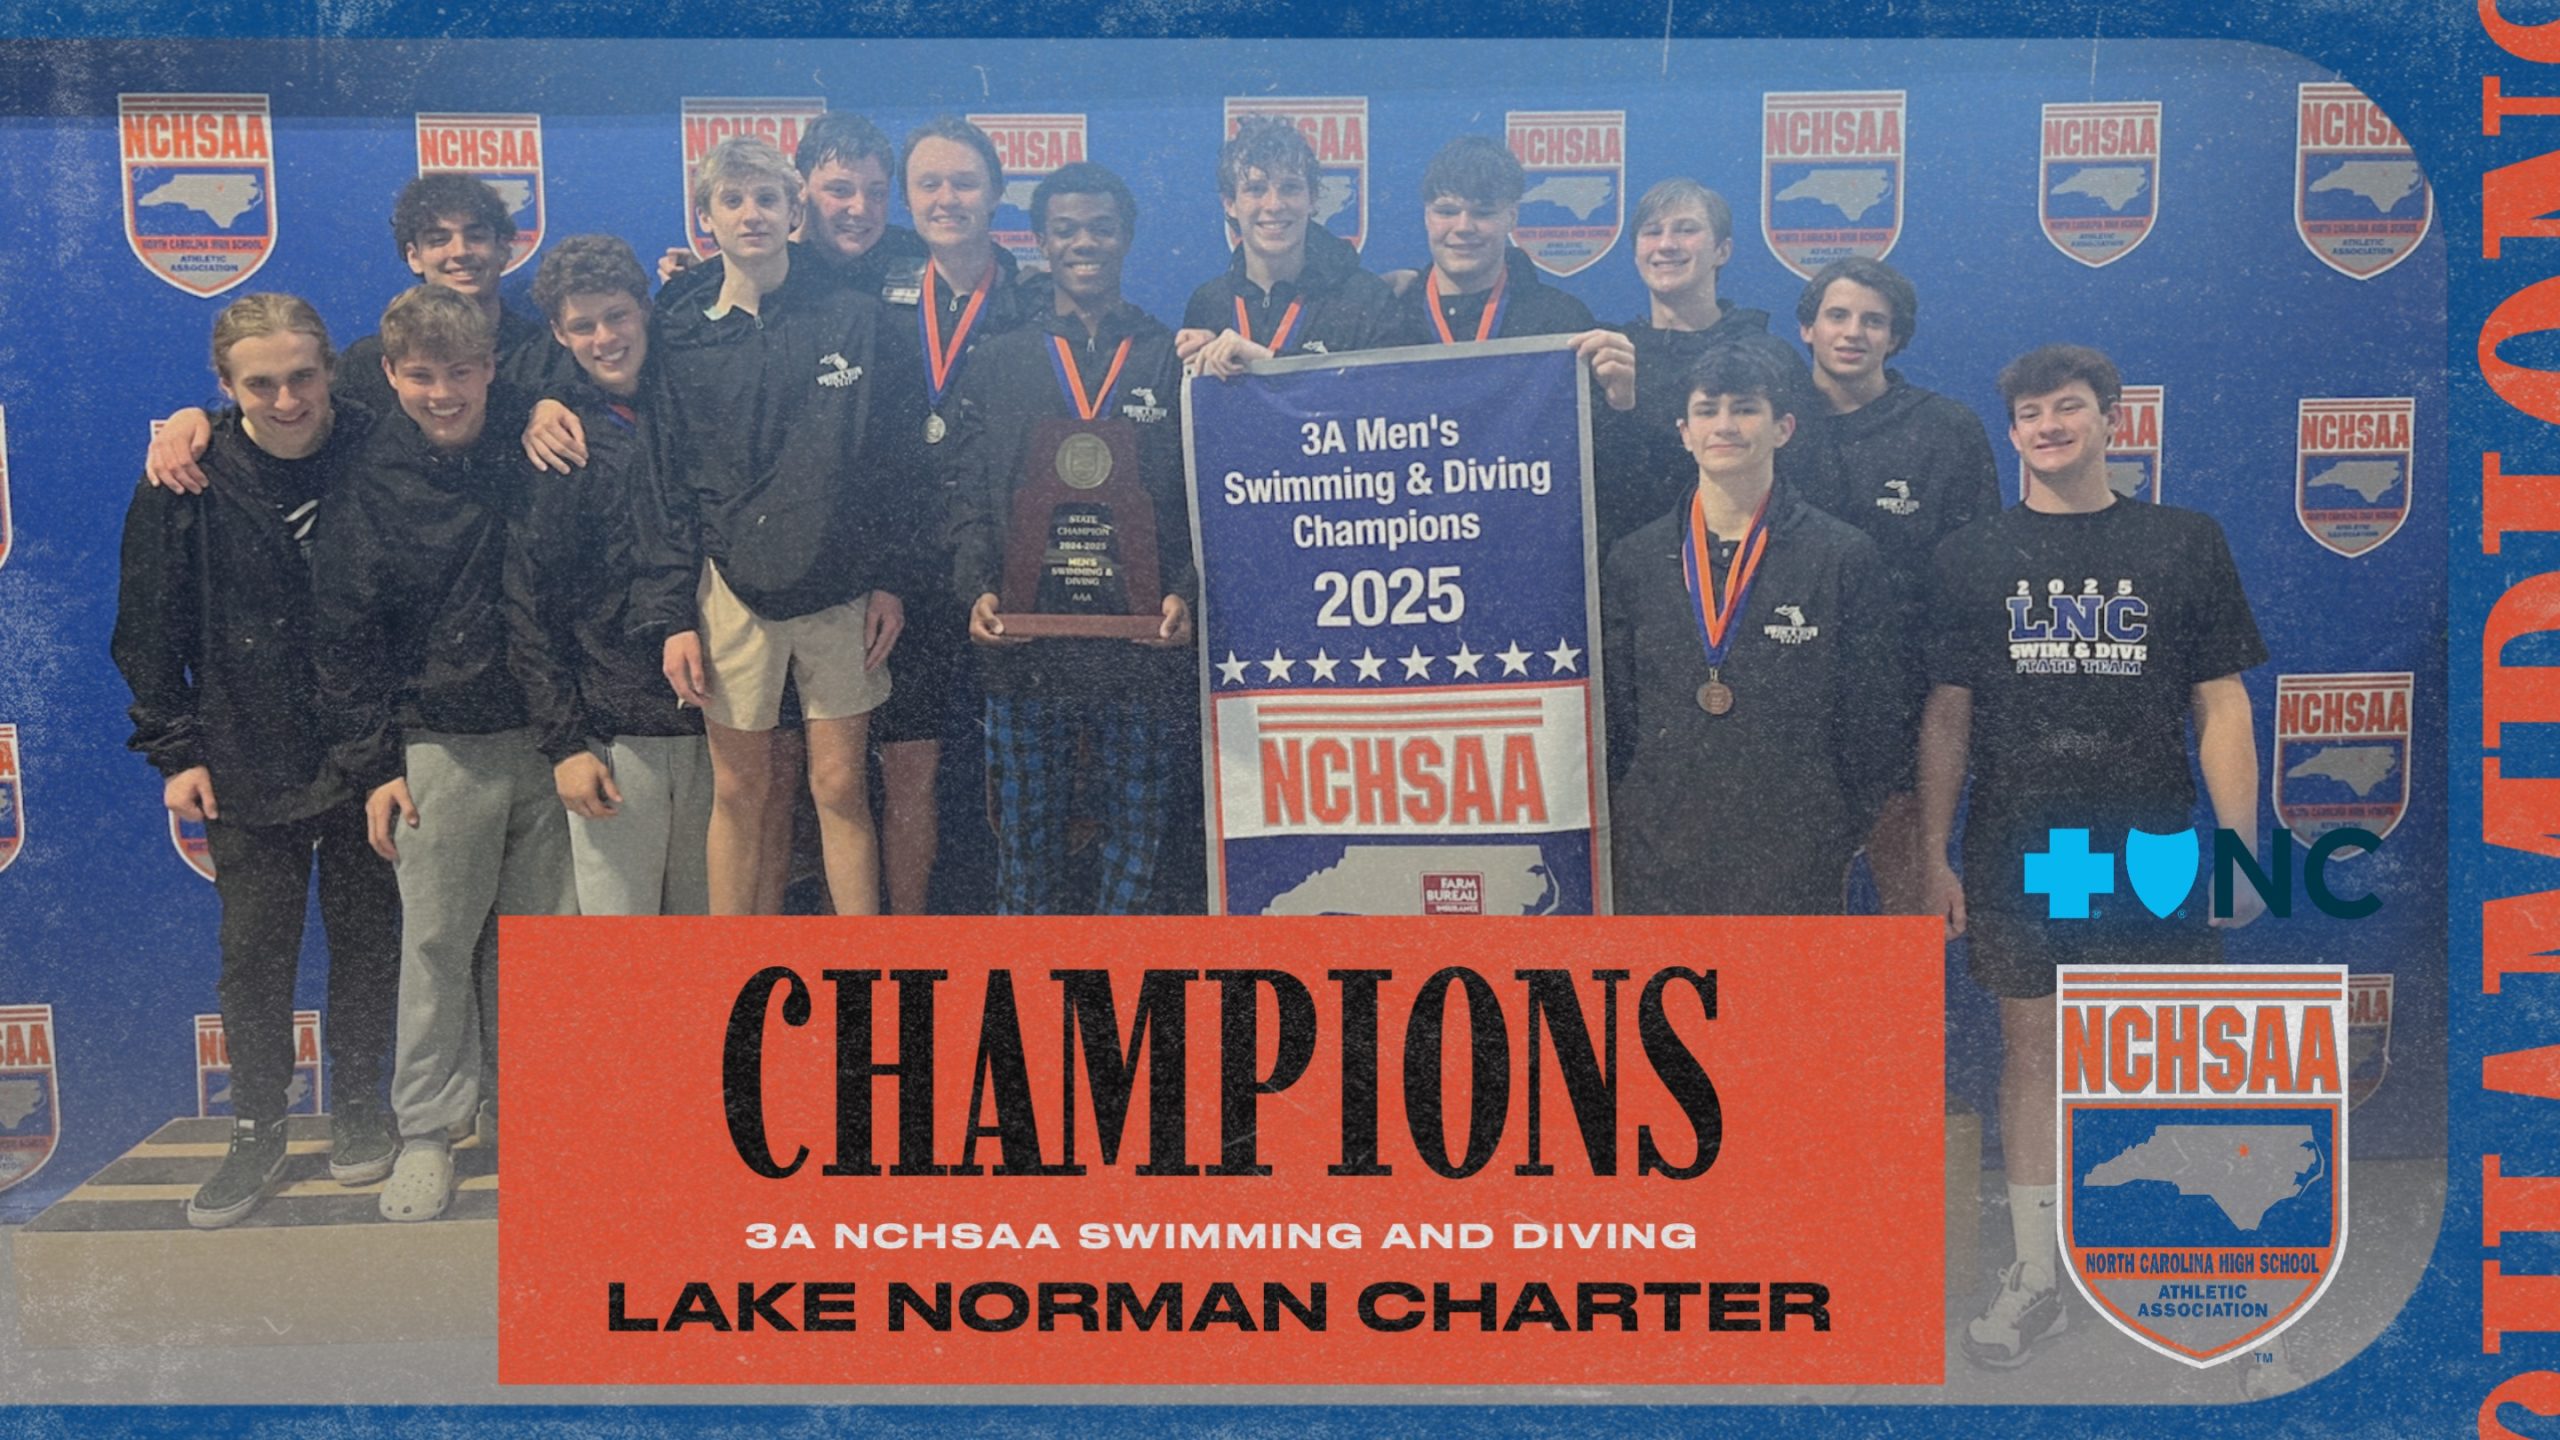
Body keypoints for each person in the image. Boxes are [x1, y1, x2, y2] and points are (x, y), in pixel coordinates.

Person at [1918, 344, 2266, 1368]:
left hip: (2149, 842)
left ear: (2115, 420)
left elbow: (2222, 704)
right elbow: (1947, 716)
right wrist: (1933, 850)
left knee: (2160, 1049)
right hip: (2022, 843)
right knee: (2032, 1052)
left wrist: (2241, 850)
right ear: (2012, 434)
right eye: (2030, 414)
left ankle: (2176, 1267)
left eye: (2068, 407)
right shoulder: (1971, 554)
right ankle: (2039, 1275)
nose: (2049, 427)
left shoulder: (2183, 541)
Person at [110, 294, 401, 1228]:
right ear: (225, 388)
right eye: (261, 383)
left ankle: (360, 1109)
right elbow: (147, 627)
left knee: (370, 942)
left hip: (368, 752)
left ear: (332, 371)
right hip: (244, 752)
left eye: (302, 376)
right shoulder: (184, 478)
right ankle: (256, 1130)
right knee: (254, 956)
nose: (287, 400)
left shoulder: (382, 447)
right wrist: (174, 750)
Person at [310, 284, 575, 1222]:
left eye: (461, 371)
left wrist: (568, 733)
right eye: (421, 375)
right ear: (389, 375)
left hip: (549, 741)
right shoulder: (364, 479)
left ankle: (532, 1116)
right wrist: (377, 765)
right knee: (433, 948)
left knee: (544, 950)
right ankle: (426, 1132)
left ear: (492, 368)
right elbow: (342, 635)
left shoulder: (530, 445)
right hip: (436, 748)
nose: (443, 392)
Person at [637, 135, 924, 918]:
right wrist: (672, 616)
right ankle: (731, 972)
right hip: (730, 590)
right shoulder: (681, 329)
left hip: (841, 587)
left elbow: (894, 464)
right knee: (739, 790)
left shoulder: (856, 319)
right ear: (705, 217)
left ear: (796, 211)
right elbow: (664, 480)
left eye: (767, 199)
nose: (752, 215)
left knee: (840, 786)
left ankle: (860, 972)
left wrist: (889, 579)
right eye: (732, 200)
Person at [945, 162, 1195, 915]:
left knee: (1136, 846)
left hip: (1138, 650)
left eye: (1101, 228)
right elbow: (967, 491)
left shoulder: (1167, 356)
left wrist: (1184, 591)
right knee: (1025, 850)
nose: (1084, 243)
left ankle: (1121, 979)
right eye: (1066, 230)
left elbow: (1199, 493)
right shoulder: (999, 359)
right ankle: (1027, 980)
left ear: (1127, 238)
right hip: (1027, 650)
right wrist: (977, 588)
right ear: (1042, 243)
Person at [1602, 343, 1906, 914]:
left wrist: (1833, 824)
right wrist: (1638, 811)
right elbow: (1617, 717)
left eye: (1745, 409)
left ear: (1783, 428)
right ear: (1684, 433)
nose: (1724, 425)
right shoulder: (1634, 560)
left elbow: (1873, 713)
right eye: (1707, 410)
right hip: (1658, 854)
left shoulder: (1841, 555)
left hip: (1795, 855)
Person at [1789, 257, 2002, 913]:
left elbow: (1976, 579)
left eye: (1873, 321)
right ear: (1807, 328)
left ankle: (1905, 987)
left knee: (1910, 912)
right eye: (1837, 315)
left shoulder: (1945, 430)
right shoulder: (1771, 423)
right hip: (1789, 694)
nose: (1853, 332)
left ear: (1896, 337)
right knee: (1790, 915)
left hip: (1904, 698)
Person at [511, 235, 710, 916]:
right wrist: (565, 743)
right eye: (584, 325)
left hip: (719, 719)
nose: (605, 338)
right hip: (614, 729)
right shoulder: (558, 441)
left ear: (645, 310)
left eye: (618, 316)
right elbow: (531, 602)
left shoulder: (698, 401)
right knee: (618, 945)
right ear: (558, 335)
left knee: (712, 943)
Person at [147, 174, 568, 491]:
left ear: (504, 249)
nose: (459, 252)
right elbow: (294, 410)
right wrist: (197, 420)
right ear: (414, 256)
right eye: (439, 239)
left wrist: (551, 405)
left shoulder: (549, 352)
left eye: (475, 236)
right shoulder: (369, 361)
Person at [1595, 178, 1807, 554]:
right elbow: (1595, 490)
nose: (1666, 244)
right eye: (1652, 232)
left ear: (1722, 250)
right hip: (1636, 566)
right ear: (1636, 252)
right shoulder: (1606, 357)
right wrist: (1619, 408)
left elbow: (1808, 478)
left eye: (1686, 229)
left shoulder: (1769, 356)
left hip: (1757, 561)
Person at [1175, 114, 1394, 376]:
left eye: (1290, 187)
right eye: (1256, 189)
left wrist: (1267, 361)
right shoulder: (1209, 305)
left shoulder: (1366, 299)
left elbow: (1382, 397)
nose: (1274, 205)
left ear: (1313, 198)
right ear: (1230, 203)